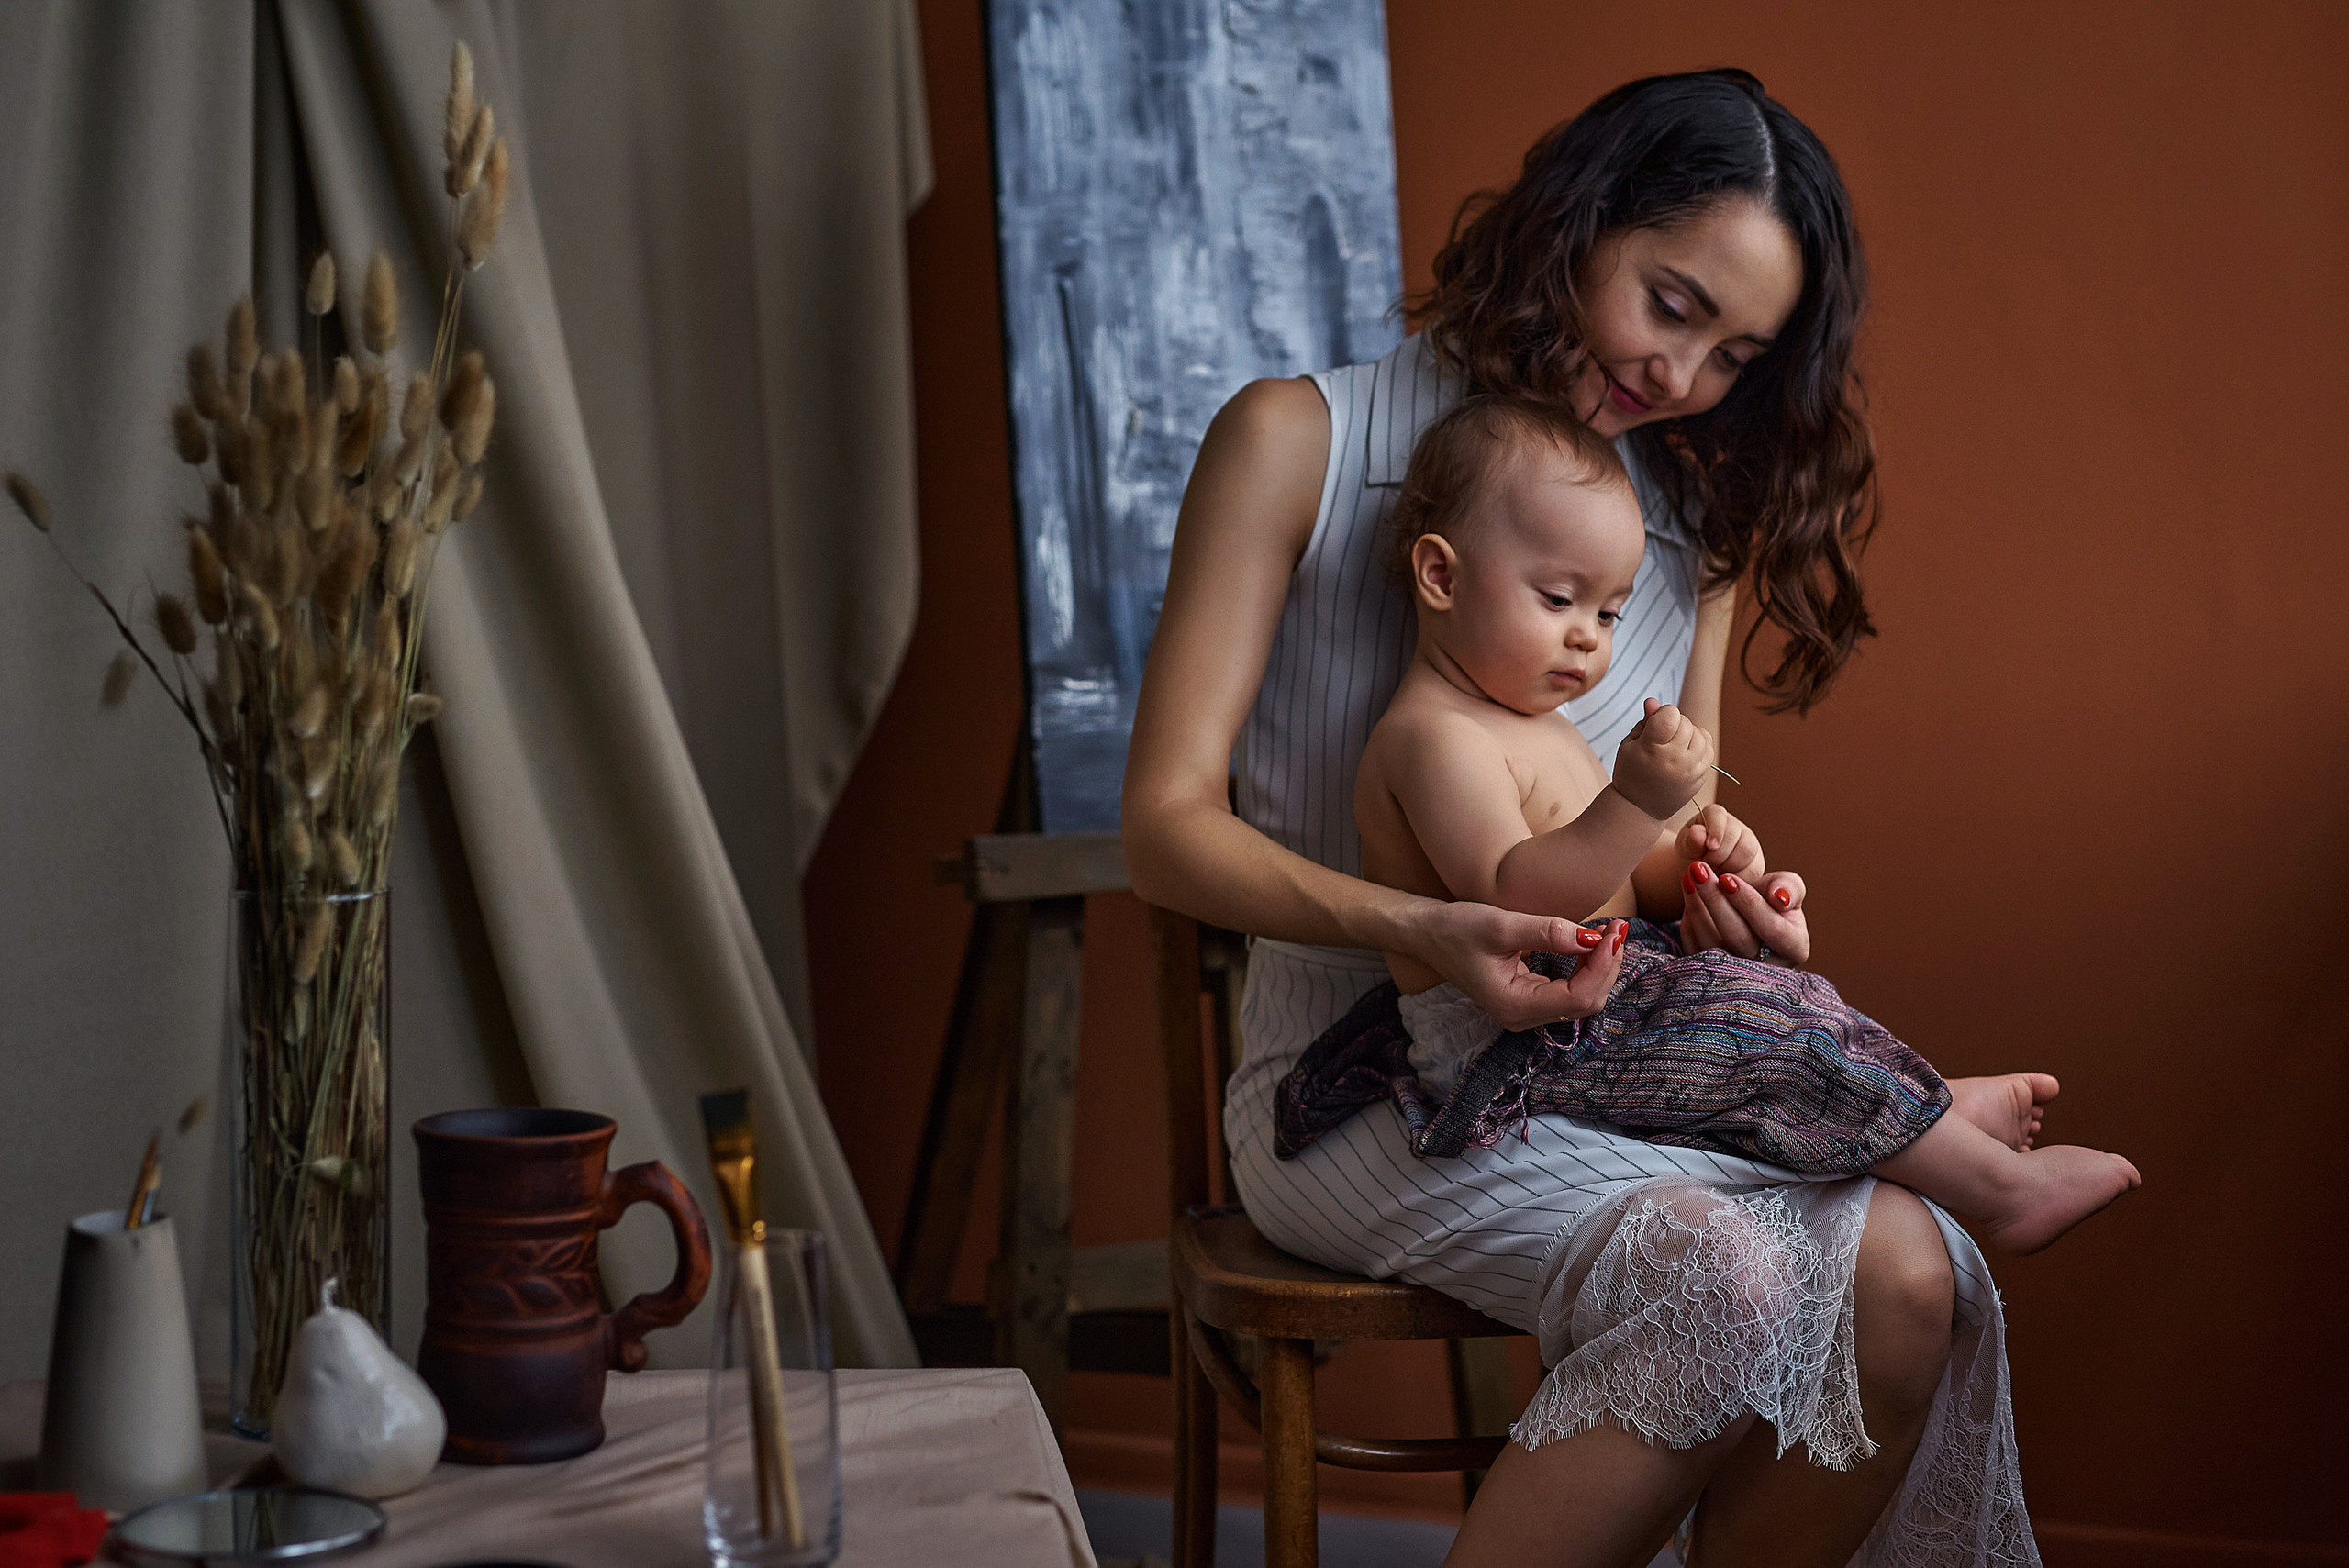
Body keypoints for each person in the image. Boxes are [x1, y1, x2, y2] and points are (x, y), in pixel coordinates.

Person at [1123, 70, 2045, 1565]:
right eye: (1669, 304)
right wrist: (1416, 920)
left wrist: (1723, 887)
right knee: (1736, 1277)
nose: (1684, 376)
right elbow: (1163, 825)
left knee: (1915, 1271)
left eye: (1736, 352)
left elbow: (1656, 841)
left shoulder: (1689, 522)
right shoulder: (1296, 438)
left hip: (1598, 1068)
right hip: (1354, 1092)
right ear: (1574, 223)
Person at [1275, 392, 2140, 1258]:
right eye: (1559, 599)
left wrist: (1694, 860)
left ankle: (1918, 1108)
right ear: (1442, 576)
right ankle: (1998, 1186)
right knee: (1753, 1033)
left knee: (1783, 1006)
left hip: (1597, 1009)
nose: (1589, 641)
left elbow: (1622, 877)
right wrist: (1638, 802)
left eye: (1609, 614)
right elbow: (1517, 896)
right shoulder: (1433, 737)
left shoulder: (1535, 722)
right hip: (1515, 1050)